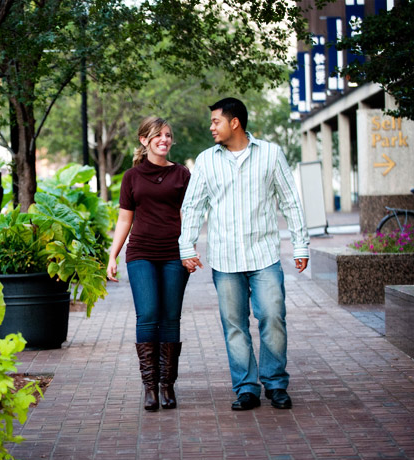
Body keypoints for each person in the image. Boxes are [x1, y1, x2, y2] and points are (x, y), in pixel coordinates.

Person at [179, 98, 309, 411]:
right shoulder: (207, 161)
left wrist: (301, 245)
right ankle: (246, 388)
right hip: (225, 260)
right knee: (234, 325)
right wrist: (187, 245)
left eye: (215, 121)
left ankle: (275, 384)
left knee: (272, 317)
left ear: (234, 122)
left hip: (264, 256)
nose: (211, 127)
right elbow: (193, 207)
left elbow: (290, 202)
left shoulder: (271, 154)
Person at [107, 117, 193, 411]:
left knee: (170, 317)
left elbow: (187, 217)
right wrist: (112, 254)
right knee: (148, 314)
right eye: (158, 135)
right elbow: (124, 219)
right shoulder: (132, 177)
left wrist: (190, 250)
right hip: (141, 252)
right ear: (144, 140)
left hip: (173, 253)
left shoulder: (182, 174)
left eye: (168, 135)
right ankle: (149, 388)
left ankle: (167, 386)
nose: (164, 140)